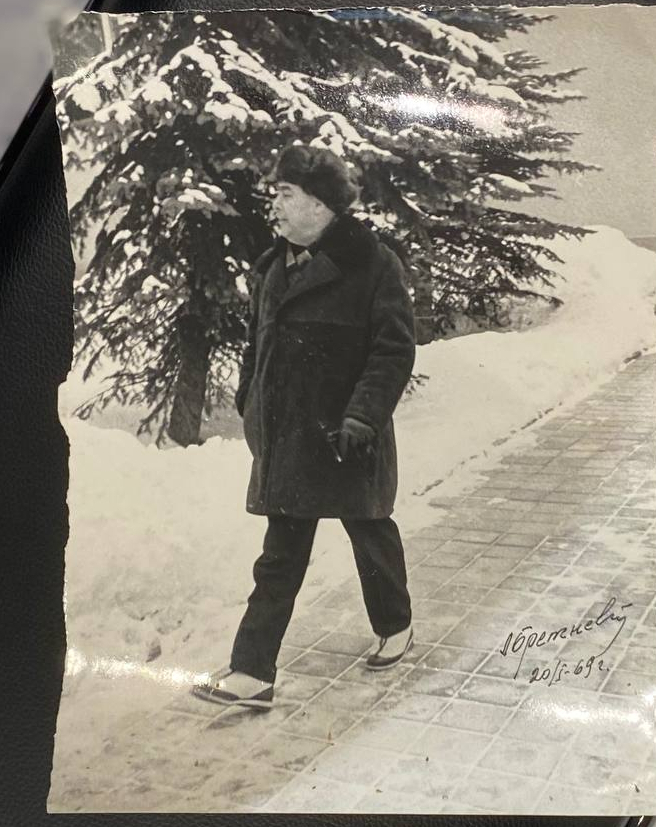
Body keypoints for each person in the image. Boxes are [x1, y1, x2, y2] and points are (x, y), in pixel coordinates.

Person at [192, 144, 416, 709]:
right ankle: (253, 673)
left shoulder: (373, 265)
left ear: (320, 205)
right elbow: (256, 346)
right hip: (289, 440)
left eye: (285, 194)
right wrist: (250, 400)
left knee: (369, 533)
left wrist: (362, 417)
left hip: (347, 437)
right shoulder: (273, 268)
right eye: (276, 193)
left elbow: (392, 352)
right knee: (279, 556)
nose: (274, 204)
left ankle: (395, 623)